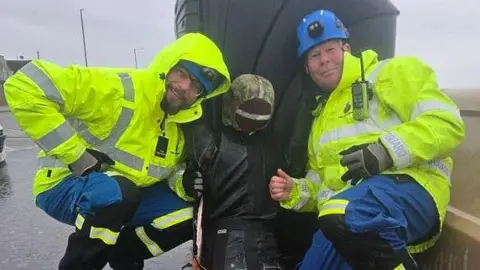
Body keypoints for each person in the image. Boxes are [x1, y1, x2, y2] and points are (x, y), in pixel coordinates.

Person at [3, 32, 230, 270]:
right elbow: (25, 84)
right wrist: (77, 156)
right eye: (182, 74)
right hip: (65, 185)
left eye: (196, 87)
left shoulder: (182, 123)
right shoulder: (119, 89)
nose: (184, 87)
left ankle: (124, 254)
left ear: (201, 97)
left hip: (125, 196)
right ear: (167, 65)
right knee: (120, 193)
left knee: (196, 212)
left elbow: (167, 171)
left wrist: (183, 183)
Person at [269, 9, 465, 270]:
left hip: (413, 189)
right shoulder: (319, 122)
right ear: (307, 69)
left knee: (345, 212)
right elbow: (322, 187)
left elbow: (447, 123)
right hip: (344, 217)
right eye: (314, 55)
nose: (324, 60)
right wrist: (295, 190)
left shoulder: (389, 73)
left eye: (330, 49)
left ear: (347, 49)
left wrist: (385, 151)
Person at [181, 74, 285, 270]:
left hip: (236, 238)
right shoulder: (275, 145)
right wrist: (185, 181)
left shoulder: (211, 140)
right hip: (250, 237)